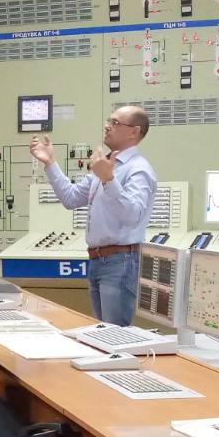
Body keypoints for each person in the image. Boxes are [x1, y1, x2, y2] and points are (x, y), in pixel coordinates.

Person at [29, 105, 158, 326]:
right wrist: (50, 163)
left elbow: (132, 216)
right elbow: (71, 198)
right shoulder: (104, 167)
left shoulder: (138, 169)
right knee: (102, 332)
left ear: (134, 131)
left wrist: (109, 180)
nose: (107, 126)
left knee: (114, 334)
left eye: (115, 123)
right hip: (97, 260)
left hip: (120, 261)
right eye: (109, 121)